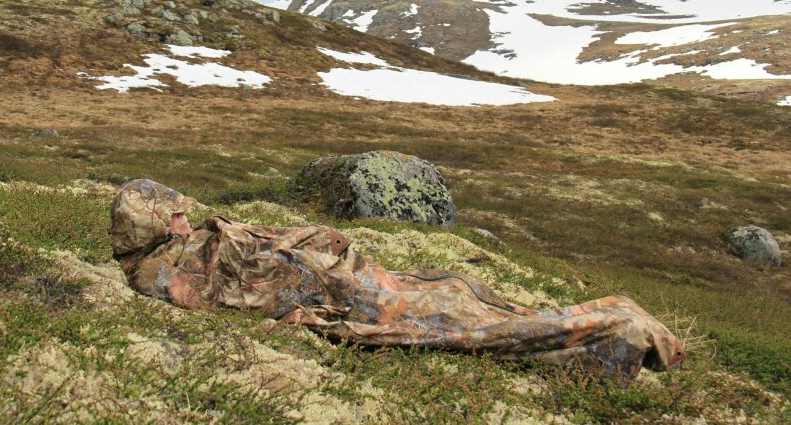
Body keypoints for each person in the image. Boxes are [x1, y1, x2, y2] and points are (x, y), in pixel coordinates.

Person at [111, 179, 684, 380]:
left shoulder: (178, 248)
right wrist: (304, 278)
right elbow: (237, 293)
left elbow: (256, 254)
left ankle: (605, 328)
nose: (185, 217)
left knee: (453, 290)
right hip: (342, 297)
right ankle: (615, 329)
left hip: (342, 280)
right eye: (174, 214)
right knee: (459, 322)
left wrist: (311, 243)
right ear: (150, 222)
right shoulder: (158, 271)